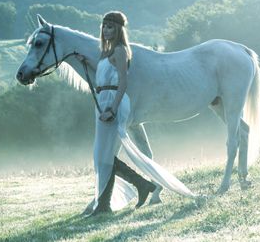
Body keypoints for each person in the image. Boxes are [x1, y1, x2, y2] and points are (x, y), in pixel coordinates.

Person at [76, 11, 195, 216]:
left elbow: (123, 81)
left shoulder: (121, 50)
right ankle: (139, 186)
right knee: (102, 156)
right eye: (104, 26)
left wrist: (112, 108)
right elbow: (103, 71)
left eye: (110, 27)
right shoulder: (107, 52)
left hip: (114, 101)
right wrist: (83, 61)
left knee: (103, 156)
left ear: (119, 30)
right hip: (104, 101)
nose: (106, 30)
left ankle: (107, 204)